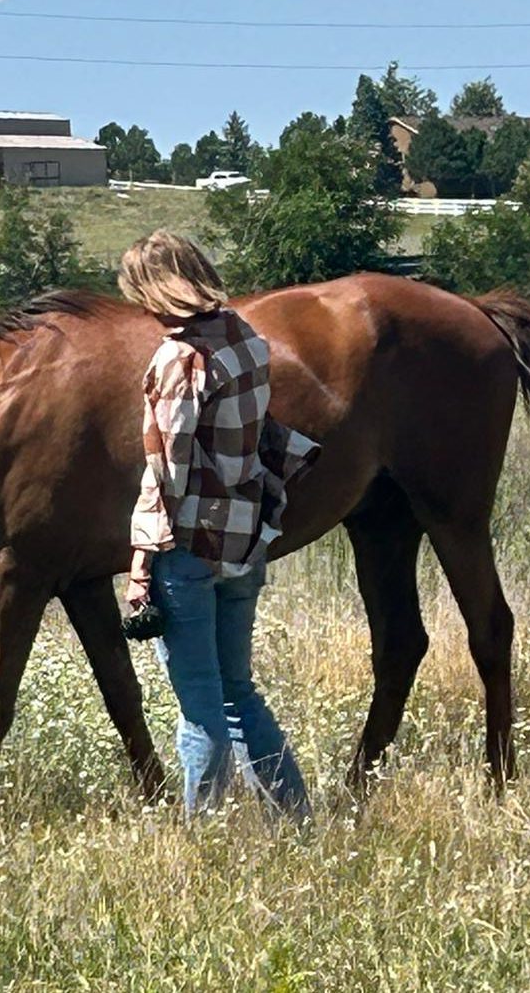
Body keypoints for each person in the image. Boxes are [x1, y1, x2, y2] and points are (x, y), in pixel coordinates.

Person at [120, 231, 319, 819]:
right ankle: (295, 818)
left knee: (200, 708)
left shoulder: (178, 359)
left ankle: (200, 835)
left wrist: (139, 565)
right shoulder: (245, 337)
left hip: (188, 549)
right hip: (244, 538)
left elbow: (166, 472)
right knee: (239, 693)